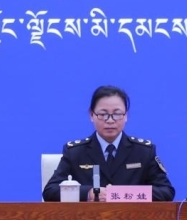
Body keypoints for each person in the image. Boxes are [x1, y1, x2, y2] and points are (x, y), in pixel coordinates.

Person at [42, 85, 175, 202]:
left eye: (117, 114)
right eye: (103, 114)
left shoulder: (144, 151)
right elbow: (50, 191)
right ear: (91, 115)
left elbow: (166, 191)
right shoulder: (75, 152)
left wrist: (122, 195)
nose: (110, 120)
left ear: (126, 116)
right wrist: (89, 193)